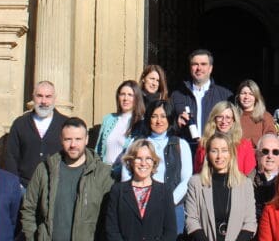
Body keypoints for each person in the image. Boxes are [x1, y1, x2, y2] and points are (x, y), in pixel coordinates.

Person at [1, 80, 67, 241]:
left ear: (54, 98)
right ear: (33, 97)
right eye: (40, 96)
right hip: (23, 189)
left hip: (53, 192)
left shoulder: (63, 124)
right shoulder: (20, 124)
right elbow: (11, 157)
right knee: (19, 240)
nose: (44, 101)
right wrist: (15, 187)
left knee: (48, 240)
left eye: (48, 96)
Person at [127, 99, 193, 232]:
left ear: (169, 118)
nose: (159, 121)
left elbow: (186, 179)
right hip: (141, 207)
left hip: (173, 208)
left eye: (163, 116)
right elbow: (126, 175)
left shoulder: (181, 145)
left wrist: (168, 203)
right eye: (154, 116)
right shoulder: (136, 143)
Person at [172, 49, 233, 146]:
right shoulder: (177, 95)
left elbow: (233, 126)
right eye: (195, 64)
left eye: (203, 64)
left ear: (210, 68)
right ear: (190, 68)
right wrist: (176, 123)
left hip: (215, 150)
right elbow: (168, 125)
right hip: (187, 150)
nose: (199, 68)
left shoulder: (225, 95)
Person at [194, 100, 256, 175]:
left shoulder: (245, 145)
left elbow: (249, 175)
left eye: (228, 117)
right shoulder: (203, 144)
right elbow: (197, 172)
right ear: (214, 119)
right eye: (220, 117)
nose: (224, 121)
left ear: (234, 120)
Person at [96, 79, 144, 165]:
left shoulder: (140, 123)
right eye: (122, 94)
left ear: (136, 98)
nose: (126, 98)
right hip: (104, 172)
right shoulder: (108, 119)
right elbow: (98, 149)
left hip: (125, 174)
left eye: (130, 95)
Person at [236, 79, 277, 146]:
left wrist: (250, 141)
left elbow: (270, 139)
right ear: (238, 96)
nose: (246, 97)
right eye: (243, 93)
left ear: (256, 97)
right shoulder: (233, 116)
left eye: (251, 94)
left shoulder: (265, 116)